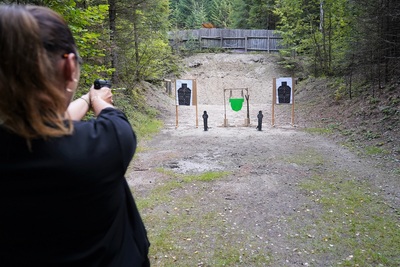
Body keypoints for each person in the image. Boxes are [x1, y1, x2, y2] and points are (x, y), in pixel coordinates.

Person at [0, 4, 150, 267]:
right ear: (69, 66)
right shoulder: (107, 141)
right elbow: (113, 118)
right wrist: (99, 100)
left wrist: (86, 98)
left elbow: (47, 124)